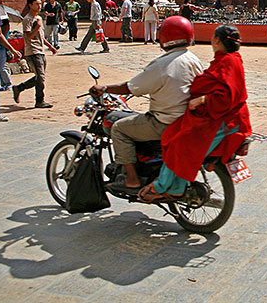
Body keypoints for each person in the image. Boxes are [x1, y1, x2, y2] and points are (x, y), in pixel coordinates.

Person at [138, 24, 252, 203]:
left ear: (216, 40)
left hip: (223, 121)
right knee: (182, 141)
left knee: (178, 143)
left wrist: (202, 100)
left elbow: (225, 98)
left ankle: (160, 186)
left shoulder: (227, 62)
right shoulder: (232, 59)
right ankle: (176, 188)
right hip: (226, 117)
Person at [89, 16, 204, 193]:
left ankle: (132, 179)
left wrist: (104, 88)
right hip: (186, 120)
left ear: (165, 37)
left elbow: (132, 87)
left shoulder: (162, 64)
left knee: (119, 128)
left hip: (164, 122)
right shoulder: (193, 59)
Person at [12, 0, 56, 109]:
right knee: (40, 77)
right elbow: (28, 37)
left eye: (40, 4)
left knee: (39, 77)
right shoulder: (27, 19)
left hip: (41, 51)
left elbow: (41, 37)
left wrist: (50, 47)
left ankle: (19, 88)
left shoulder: (39, 19)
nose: (39, 6)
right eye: (37, 4)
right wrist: (36, 27)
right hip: (32, 51)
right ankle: (39, 100)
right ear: (30, 5)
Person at [0, 17, 12, 91]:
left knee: (1, 67)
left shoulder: (4, 27)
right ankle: (3, 84)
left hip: (2, 48)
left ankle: (8, 83)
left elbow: (1, 36)